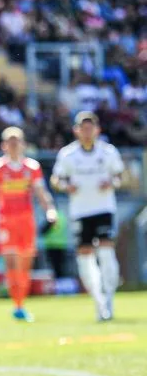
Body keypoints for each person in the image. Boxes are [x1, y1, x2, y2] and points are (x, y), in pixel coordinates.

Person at [0, 127, 57, 321]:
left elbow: (41, 193)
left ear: (23, 144)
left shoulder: (32, 167)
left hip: (27, 223)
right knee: (11, 263)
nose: (13, 145)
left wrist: (50, 210)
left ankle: (21, 302)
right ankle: (17, 305)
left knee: (25, 266)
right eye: (10, 141)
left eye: (17, 141)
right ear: (3, 145)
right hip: (6, 223)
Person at [49, 111, 126, 321]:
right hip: (80, 211)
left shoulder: (108, 152)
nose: (87, 132)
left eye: (90, 128)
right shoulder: (68, 154)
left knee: (106, 253)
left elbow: (120, 175)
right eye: (83, 128)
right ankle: (98, 301)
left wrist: (112, 183)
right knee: (85, 257)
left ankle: (109, 299)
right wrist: (66, 186)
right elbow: (56, 179)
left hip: (104, 209)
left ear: (97, 130)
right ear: (76, 131)